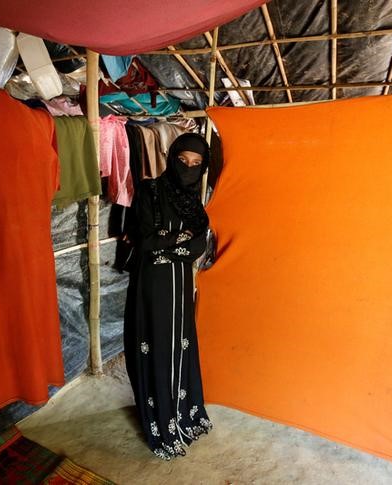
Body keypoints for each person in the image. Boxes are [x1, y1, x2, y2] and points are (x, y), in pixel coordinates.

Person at [123, 133, 213, 460]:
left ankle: (183, 409)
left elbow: (198, 245)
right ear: (172, 158)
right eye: (183, 161)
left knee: (180, 342)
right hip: (153, 282)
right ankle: (161, 418)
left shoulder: (193, 201)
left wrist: (170, 244)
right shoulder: (150, 190)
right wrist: (179, 239)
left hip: (180, 281)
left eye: (196, 164)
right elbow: (145, 241)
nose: (188, 168)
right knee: (157, 343)